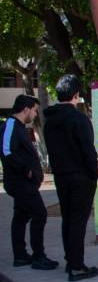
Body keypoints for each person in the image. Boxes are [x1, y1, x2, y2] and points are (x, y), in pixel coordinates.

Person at [44, 76, 98, 281]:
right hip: (81, 177)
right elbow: (88, 151)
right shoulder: (78, 119)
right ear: (76, 95)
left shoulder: (49, 119)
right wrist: (94, 174)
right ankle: (77, 267)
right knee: (78, 221)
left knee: (68, 218)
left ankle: (71, 259)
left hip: (61, 176)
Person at [1, 95, 58, 271]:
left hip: (24, 182)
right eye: (34, 110)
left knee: (21, 216)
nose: (35, 114)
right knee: (39, 214)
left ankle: (20, 255)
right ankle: (38, 256)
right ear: (25, 109)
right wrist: (26, 169)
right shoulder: (11, 124)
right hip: (20, 182)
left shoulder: (18, 127)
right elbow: (6, 150)